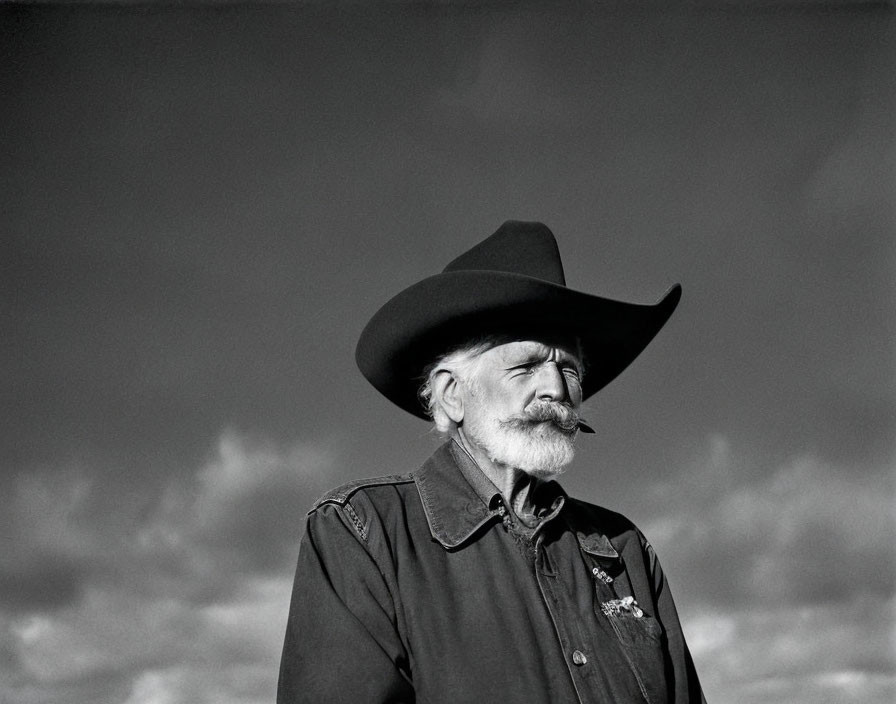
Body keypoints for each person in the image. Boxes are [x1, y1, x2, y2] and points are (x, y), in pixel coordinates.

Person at [277, 220, 705, 703]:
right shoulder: (363, 534)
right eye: (525, 366)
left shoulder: (624, 550)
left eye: (569, 369)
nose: (557, 390)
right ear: (452, 394)